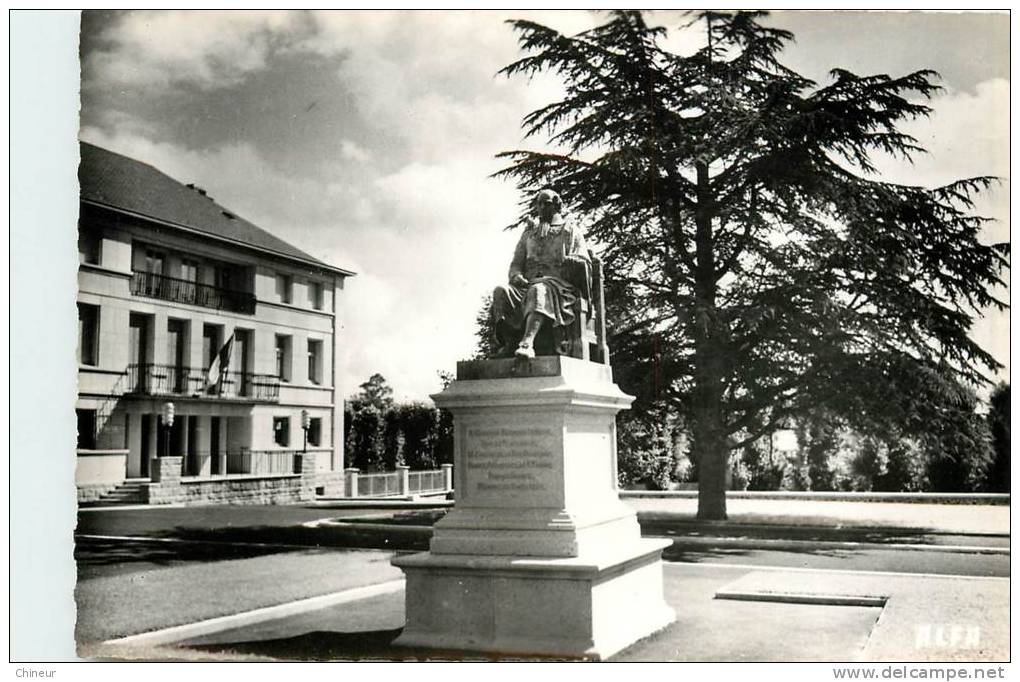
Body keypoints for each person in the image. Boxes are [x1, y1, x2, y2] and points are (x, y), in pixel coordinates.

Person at [492, 189, 590, 359]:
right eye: (539, 204)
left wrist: (572, 261)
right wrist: (516, 276)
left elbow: (583, 260)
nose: (541, 207)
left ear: (557, 205)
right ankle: (509, 343)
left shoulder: (570, 231)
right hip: (527, 285)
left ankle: (527, 344)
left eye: (547, 203)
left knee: (539, 290)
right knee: (501, 291)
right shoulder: (529, 234)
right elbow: (515, 264)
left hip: (559, 287)